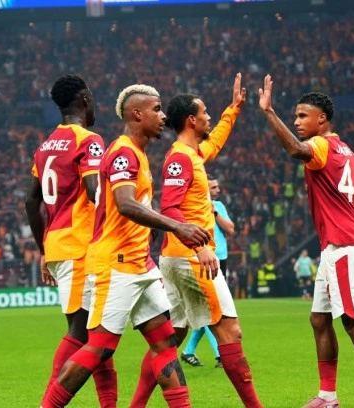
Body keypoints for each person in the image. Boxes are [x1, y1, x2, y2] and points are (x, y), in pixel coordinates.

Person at [41, 83, 211, 408]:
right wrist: (176, 226)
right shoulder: (123, 152)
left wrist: (152, 228)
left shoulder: (138, 153)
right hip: (115, 264)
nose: (163, 116)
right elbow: (125, 204)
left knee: (165, 344)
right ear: (137, 114)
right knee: (99, 347)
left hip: (140, 264)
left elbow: (135, 206)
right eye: (156, 109)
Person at [259, 75, 354, 408]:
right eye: (294, 117)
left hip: (343, 245)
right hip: (340, 245)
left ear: (322, 119)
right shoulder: (348, 152)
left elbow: (295, 149)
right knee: (320, 319)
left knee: (352, 321)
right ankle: (327, 396)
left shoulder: (321, 146)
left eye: (302, 116)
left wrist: (269, 112)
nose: (297, 122)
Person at [129, 74, 264, 408]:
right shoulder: (180, 158)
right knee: (230, 332)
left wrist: (233, 109)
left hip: (177, 258)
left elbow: (214, 142)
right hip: (191, 259)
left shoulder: (193, 154)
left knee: (168, 340)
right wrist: (200, 246)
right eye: (205, 113)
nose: (209, 117)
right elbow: (169, 207)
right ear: (191, 120)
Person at [25, 75, 118, 408]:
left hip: (58, 245)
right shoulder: (89, 140)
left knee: (98, 334)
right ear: (85, 99)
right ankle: (48, 403)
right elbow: (95, 192)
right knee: (81, 333)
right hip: (81, 247)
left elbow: (31, 201)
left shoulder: (46, 145)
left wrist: (44, 250)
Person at [180, 175, 235, 369]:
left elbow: (230, 229)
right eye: (213, 188)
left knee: (212, 307)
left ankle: (188, 351)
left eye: (217, 187)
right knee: (212, 307)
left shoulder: (218, 206)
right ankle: (220, 355)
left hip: (221, 258)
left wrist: (215, 213)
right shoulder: (193, 206)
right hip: (201, 258)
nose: (217, 190)